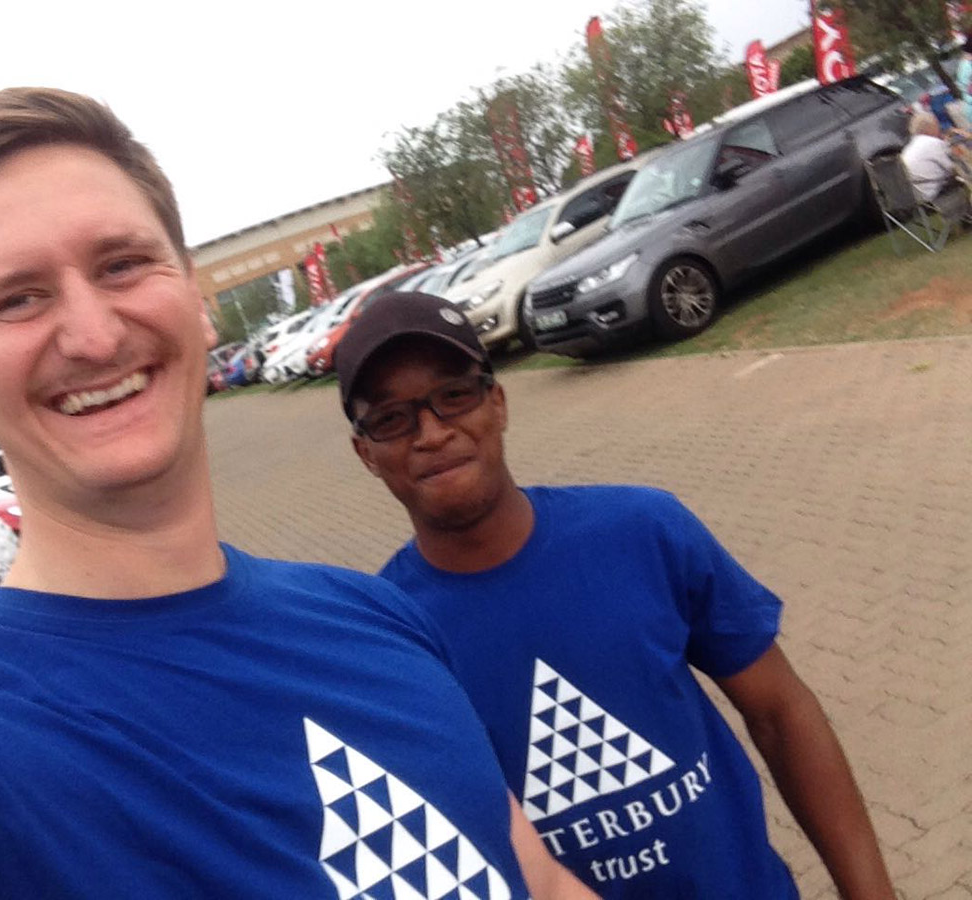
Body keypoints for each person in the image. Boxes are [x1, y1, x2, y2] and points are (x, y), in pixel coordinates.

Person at [0, 89, 596, 900]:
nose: (94, 336)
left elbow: (542, 880)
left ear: (197, 300)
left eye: (122, 264)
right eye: (17, 299)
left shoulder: (373, 613)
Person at [335, 292, 896, 899]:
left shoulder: (642, 530)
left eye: (454, 395)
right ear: (366, 453)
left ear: (497, 402)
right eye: (391, 419)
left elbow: (781, 713)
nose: (432, 432)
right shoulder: (388, 639)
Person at [901, 111, 962, 202]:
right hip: (934, 193)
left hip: (918, 195)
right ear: (930, 127)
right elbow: (954, 168)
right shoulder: (932, 142)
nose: (939, 128)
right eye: (937, 124)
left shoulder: (910, 147)